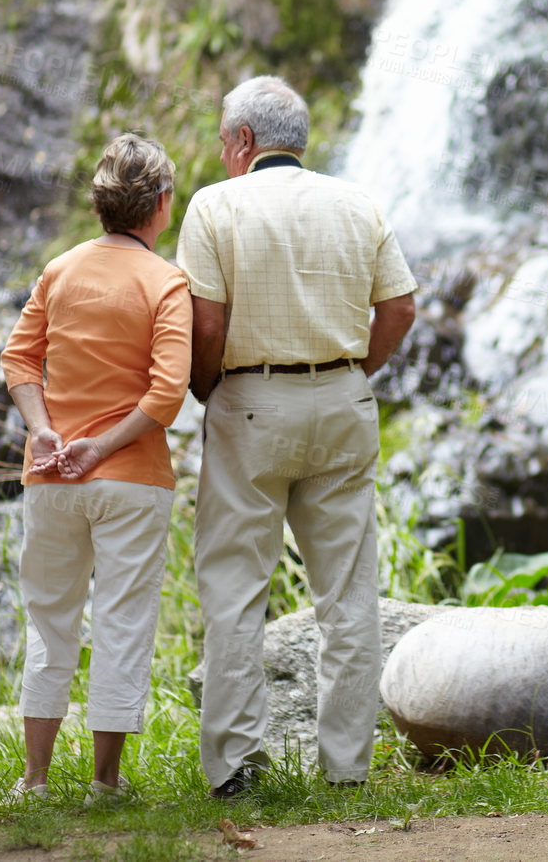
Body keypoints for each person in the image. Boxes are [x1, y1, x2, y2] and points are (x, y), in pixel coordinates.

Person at [178, 75, 417, 799]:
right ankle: (346, 770)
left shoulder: (213, 206)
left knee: (235, 589)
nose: (223, 154)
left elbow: (208, 323)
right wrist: (352, 372)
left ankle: (236, 769)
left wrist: (210, 389)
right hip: (345, 400)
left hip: (250, 399)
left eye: (224, 140)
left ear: (244, 141)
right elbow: (400, 308)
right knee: (348, 595)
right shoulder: (357, 202)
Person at [0, 134, 192, 806]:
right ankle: (104, 785)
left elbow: (18, 362)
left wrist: (43, 427)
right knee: (121, 623)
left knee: (50, 625)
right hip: (132, 477)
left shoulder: (59, 270)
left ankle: (34, 781)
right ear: (161, 206)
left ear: (103, 203)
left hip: (49, 475)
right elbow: (166, 397)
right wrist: (105, 446)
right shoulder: (166, 282)